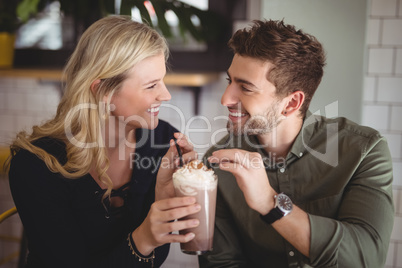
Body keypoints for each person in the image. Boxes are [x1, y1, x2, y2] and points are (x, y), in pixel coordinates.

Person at [7, 15, 201, 268]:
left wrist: (164, 200)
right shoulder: (36, 165)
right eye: (151, 85)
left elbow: (155, 259)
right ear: (102, 92)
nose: (165, 95)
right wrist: (143, 238)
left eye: (162, 81)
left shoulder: (163, 142)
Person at [199, 20, 394, 267]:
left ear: (291, 104)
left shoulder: (363, 152)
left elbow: (365, 259)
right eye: (230, 81)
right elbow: (221, 264)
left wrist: (270, 203)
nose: (225, 98)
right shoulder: (218, 162)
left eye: (245, 88)